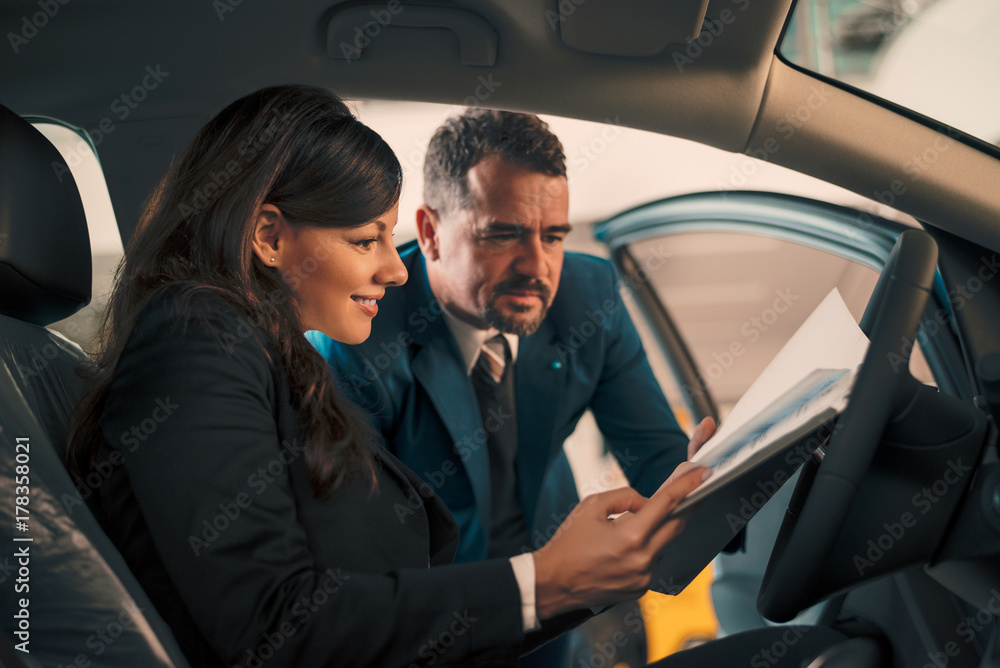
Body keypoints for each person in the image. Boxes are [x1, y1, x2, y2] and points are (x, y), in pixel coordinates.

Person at [63, 84, 712, 668]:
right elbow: (274, 626)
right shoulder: (195, 341)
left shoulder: (266, 355)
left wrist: (581, 581)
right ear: (268, 236)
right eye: (365, 240)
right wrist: (546, 583)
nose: (395, 268)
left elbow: (382, 617)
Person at [307, 109, 715, 563]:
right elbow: (364, 548)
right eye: (503, 235)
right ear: (430, 233)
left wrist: (706, 480)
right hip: (431, 602)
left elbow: (654, 456)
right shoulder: (356, 340)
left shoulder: (590, 296)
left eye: (554, 237)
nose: (537, 267)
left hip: (558, 575)